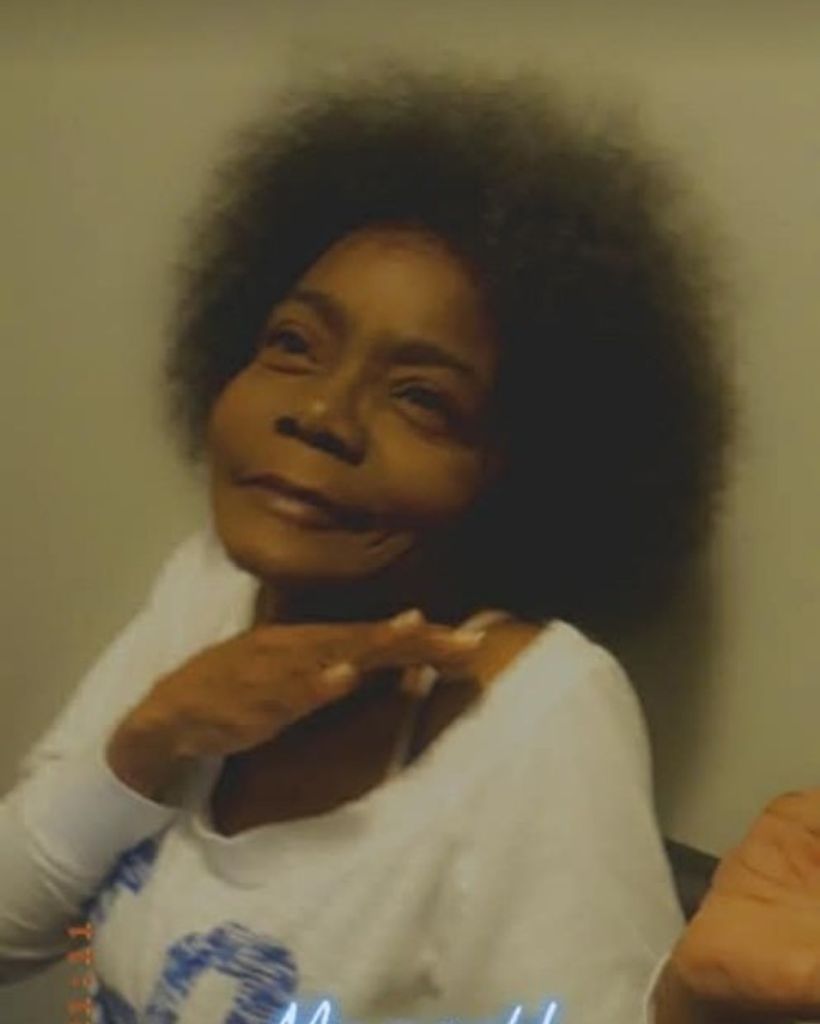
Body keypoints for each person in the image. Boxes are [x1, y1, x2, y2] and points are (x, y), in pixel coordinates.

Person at [2, 62, 818, 1024]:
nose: (319, 413)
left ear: (519, 473)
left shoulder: (538, 717)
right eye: (294, 344)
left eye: (421, 398)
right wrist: (154, 735)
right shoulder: (208, 584)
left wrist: (687, 1006)